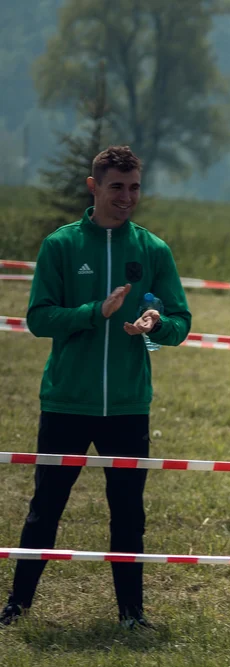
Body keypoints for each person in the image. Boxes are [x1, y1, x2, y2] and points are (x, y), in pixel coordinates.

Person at [1, 146, 191, 629]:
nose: (127, 197)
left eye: (134, 187)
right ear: (94, 187)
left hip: (128, 406)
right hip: (67, 402)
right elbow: (39, 318)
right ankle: (17, 607)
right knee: (46, 509)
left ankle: (132, 614)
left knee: (129, 514)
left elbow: (180, 320)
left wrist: (155, 323)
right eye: (116, 187)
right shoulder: (61, 246)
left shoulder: (153, 250)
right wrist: (94, 313)